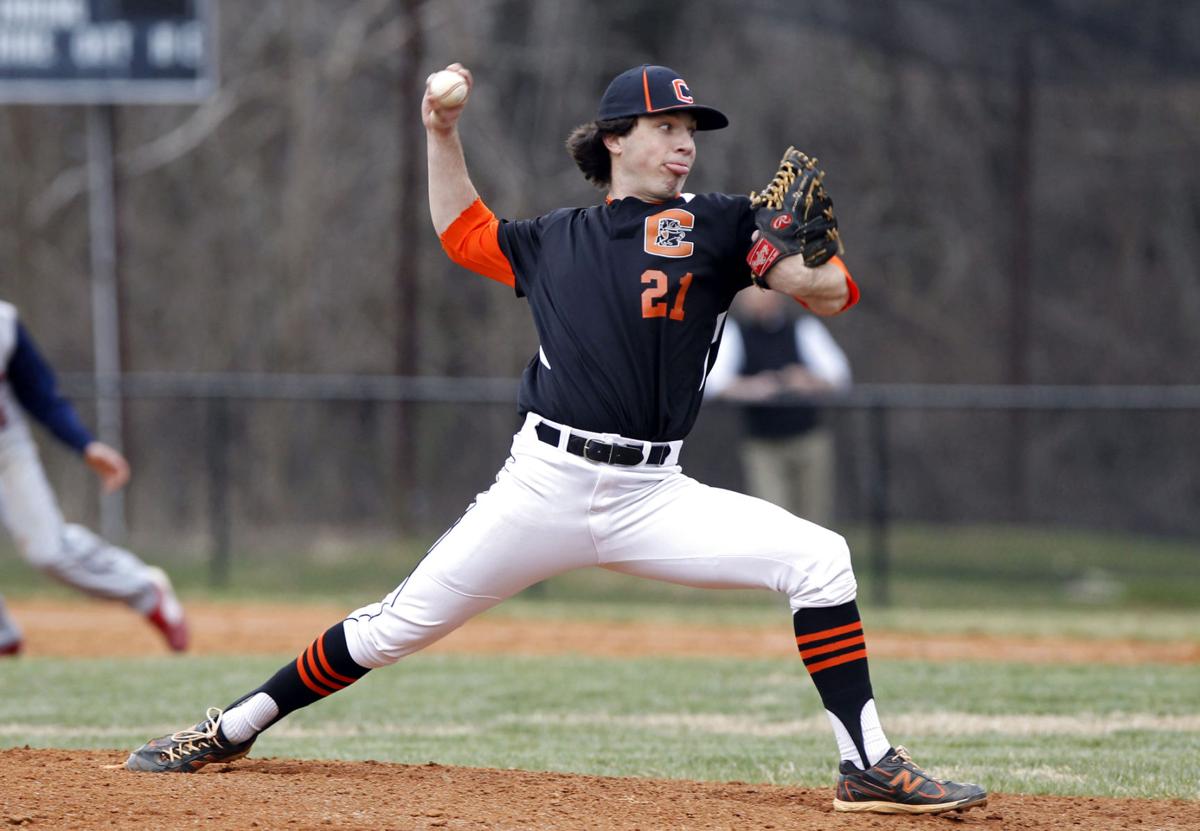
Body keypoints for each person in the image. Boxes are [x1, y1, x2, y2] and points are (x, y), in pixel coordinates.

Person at [123, 63, 986, 816]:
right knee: (391, 629)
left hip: (654, 494)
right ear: (616, 138)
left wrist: (805, 256)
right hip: (544, 484)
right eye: (666, 126)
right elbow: (461, 231)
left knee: (821, 559)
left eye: (691, 130)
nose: (684, 143)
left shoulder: (722, 224)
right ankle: (231, 726)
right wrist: (440, 131)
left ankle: (866, 763)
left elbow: (828, 293)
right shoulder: (552, 240)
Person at [0, 300, 188, 656]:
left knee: (48, 552)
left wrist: (85, 444)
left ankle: (145, 588)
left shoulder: (3, 323)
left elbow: (41, 394)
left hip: (6, 450)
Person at [705, 288, 851, 529]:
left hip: (808, 438)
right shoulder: (735, 332)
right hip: (763, 444)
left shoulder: (802, 327)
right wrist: (752, 388)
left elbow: (839, 376)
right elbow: (713, 383)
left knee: (816, 519)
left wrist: (806, 381)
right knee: (774, 519)